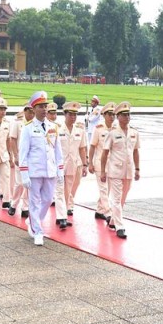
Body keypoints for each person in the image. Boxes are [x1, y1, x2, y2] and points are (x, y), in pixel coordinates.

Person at [18, 91, 64, 246]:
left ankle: (32, 220)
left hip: (50, 170)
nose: (44, 109)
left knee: (48, 199)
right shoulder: (28, 128)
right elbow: (23, 153)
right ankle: (38, 231)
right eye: (41, 107)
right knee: (34, 201)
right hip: (34, 171)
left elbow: (58, 150)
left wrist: (60, 169)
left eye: (45, 106)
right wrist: (24, 174)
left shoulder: (53, 127)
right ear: (34, 109)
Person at [99, 102, 140, 239]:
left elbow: (135, 152)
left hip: (128, 170)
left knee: (123, 198)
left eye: (128, 114)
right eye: (124, 115)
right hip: (115, 170)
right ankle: (120, 226)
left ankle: (113, 220)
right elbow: (104, 154)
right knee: (116, 199)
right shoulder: (112, 134)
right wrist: (103, 171)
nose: (127, 117)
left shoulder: (134, 133)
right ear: (118, 117)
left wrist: (138, 169)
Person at [59, 101, 89, 223]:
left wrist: (85, 164)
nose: (73, 117)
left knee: (69, 190)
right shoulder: (57, 129)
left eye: (75, 115)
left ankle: (64, 211)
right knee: (60, 190)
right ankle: (61, 216)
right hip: (60, 165)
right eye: (70, 114)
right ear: (65, 115)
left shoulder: (79, 130)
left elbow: (82, 148)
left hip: (74, 164)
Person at [88, 101, 116, 221]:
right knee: (104, 189)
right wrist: (90, 163)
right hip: (100, 164)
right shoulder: (98, 129)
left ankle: (99, 210)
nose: (111, 117)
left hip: (112, 164)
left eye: (113, 114)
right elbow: (93, 146)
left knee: (107, 189)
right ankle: (108, 213)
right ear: (103, 115)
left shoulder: (116, 129)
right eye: (109, 114)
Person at [7, 105, 33, 218]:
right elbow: (12, 139)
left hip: (31, 158)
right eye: (30, 111)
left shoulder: (35, 123)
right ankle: (14, 204)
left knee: (29, 183)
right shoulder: (18, 123)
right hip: (20, 157)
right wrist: (15, 155)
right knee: (19, 183)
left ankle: (25, 207)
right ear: (25, 111)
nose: (32, 114)